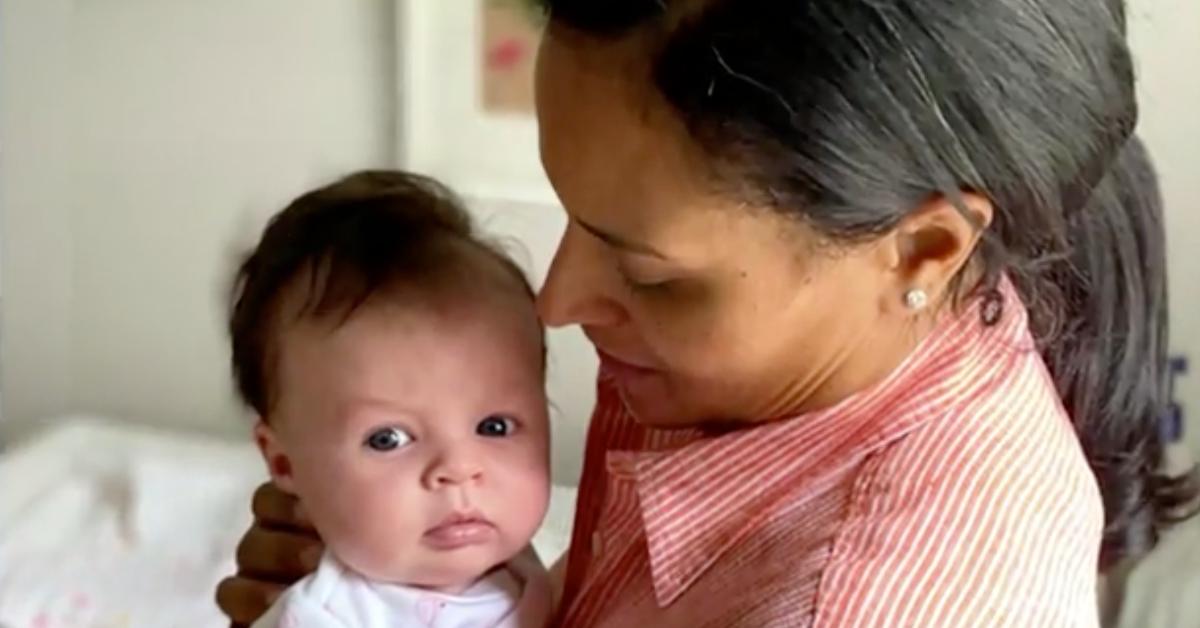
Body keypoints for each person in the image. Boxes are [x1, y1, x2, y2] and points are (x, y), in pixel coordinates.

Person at [218, 0, 1198, 625]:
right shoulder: (778, 326)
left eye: (648, 270)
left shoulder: (860, 603)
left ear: (924, 250)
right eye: (575, 214)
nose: (558, 302)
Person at [227, 171, 552, 627]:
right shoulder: (320, 618)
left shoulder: (552, 583)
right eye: (388, 438)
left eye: (494, 426)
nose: (457, 469)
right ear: (284, 464)